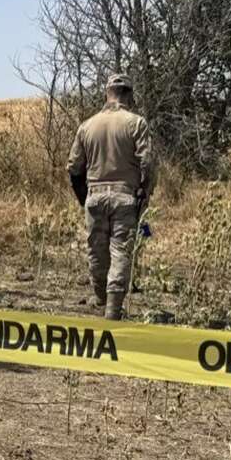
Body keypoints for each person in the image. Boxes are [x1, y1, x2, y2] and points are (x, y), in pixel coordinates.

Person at [67, 73, 153, 320]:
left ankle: (100, 299)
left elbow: (73, 167)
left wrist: (84, 197)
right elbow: (147, 162)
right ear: (128, 94)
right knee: (120, 252)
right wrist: (144, 191)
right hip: (125, 197)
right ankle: (113, 310)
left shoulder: (87, 125)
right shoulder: (136, 123)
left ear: (107, 94)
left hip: (94, 197)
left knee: (96, 251)